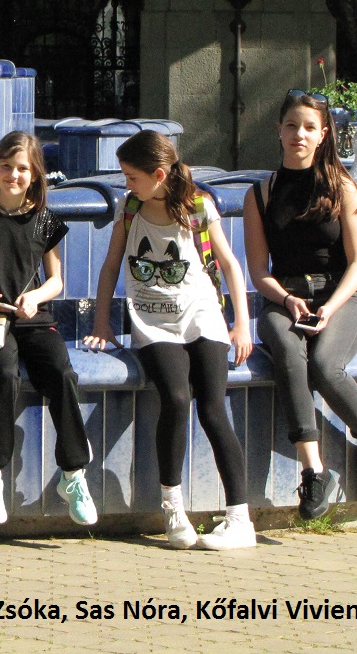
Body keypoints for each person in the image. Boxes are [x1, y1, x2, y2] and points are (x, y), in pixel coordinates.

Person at [84, 130, 256, 550]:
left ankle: (240, 519)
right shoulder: (130, 208)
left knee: (213, 408)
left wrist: (241, 324)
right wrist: (103, 323)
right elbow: (110, 266)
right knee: (176, 399)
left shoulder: (199, 206)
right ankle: (173, 508)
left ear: (159, 175)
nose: (127, 183)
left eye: (132, 176)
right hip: (153, 323)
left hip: (202, 316)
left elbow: (229, 264)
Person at [243, 90, 357, 520]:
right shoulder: (261, 194)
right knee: (288, 352)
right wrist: (287, 299)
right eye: (291, 126)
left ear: (323, 134)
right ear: (279, 131)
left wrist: (329, 308)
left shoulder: (342, 187)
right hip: (285, 299)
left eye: (309, 127)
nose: (299, 135)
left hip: (339, 297)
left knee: (325, 365)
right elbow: (259, 272)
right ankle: (314, 470)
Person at [0, 131, 97, 526]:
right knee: (4, 371)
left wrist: (36, 297)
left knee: (62, 373)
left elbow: (56, 280)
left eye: (22, 169)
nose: (13, 175)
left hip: (34, 318)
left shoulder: (43, 220)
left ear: (34, 175)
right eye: (6, 166)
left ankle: (73, 475)